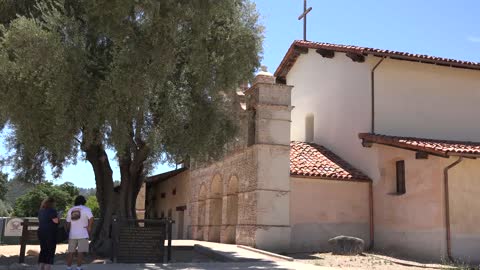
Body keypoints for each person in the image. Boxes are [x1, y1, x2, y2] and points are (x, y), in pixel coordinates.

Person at [66, 196, 94, 270]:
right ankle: (78, 268)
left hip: (72, 234)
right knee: (80, 252)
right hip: (83, 234)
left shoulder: (70, 210)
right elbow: (91, 218)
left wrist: (68, 231)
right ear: (84, 201)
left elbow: (68, 222)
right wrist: (89, 227)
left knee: (70, 252)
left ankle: (68, 267)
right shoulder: (86, 209)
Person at [38, 197, 59, 270]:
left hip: (41, 232)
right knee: (50, 251)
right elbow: (56, 221)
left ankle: (41, 267)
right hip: (50, 233)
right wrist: (59, 217)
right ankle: (47, 268)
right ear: (52, 203)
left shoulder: (41, 211)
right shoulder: (52, 211)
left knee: (43, 250)